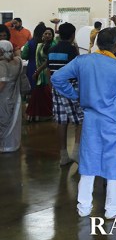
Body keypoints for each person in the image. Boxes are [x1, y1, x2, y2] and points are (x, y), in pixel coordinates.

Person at [51, 28, 116, 218]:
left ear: (97, 42)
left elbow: (57, 78)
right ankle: (112, 209)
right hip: (113, 122)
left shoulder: (83, 61)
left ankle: (84, 208)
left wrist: (76, 95)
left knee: (88, 164)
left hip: (90, 120)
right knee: (114, 165)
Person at [47, 23, 83, 165]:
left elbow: (50, 71)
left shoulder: (52, 49)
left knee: (61, 121)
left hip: (56, 88)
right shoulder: (72, 50)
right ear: (73, 35)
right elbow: (76, 70)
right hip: (71, 87)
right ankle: (76, 151)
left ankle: (63, 155)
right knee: (81, 119)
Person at [25, 26, 55, 122]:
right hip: (39, 72)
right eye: (45, 34)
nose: (47, 35)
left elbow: (48, 61)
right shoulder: (40, 45)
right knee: (38, 94)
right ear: (42, 35)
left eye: (49, 34)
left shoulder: (53, 46)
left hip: (48, 73)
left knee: (47, 94)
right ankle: (37, 115)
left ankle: (47, 114)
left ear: (52, 36)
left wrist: (38, 71)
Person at [0, 40, 23, 152]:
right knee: (12, 118)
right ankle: (12, 144)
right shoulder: (18, 62)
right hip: (14, 95)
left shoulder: (2, 64)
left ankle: (4, 146)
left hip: (3, 97)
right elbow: (19, 56)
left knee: (3, 120)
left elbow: (2, 84)